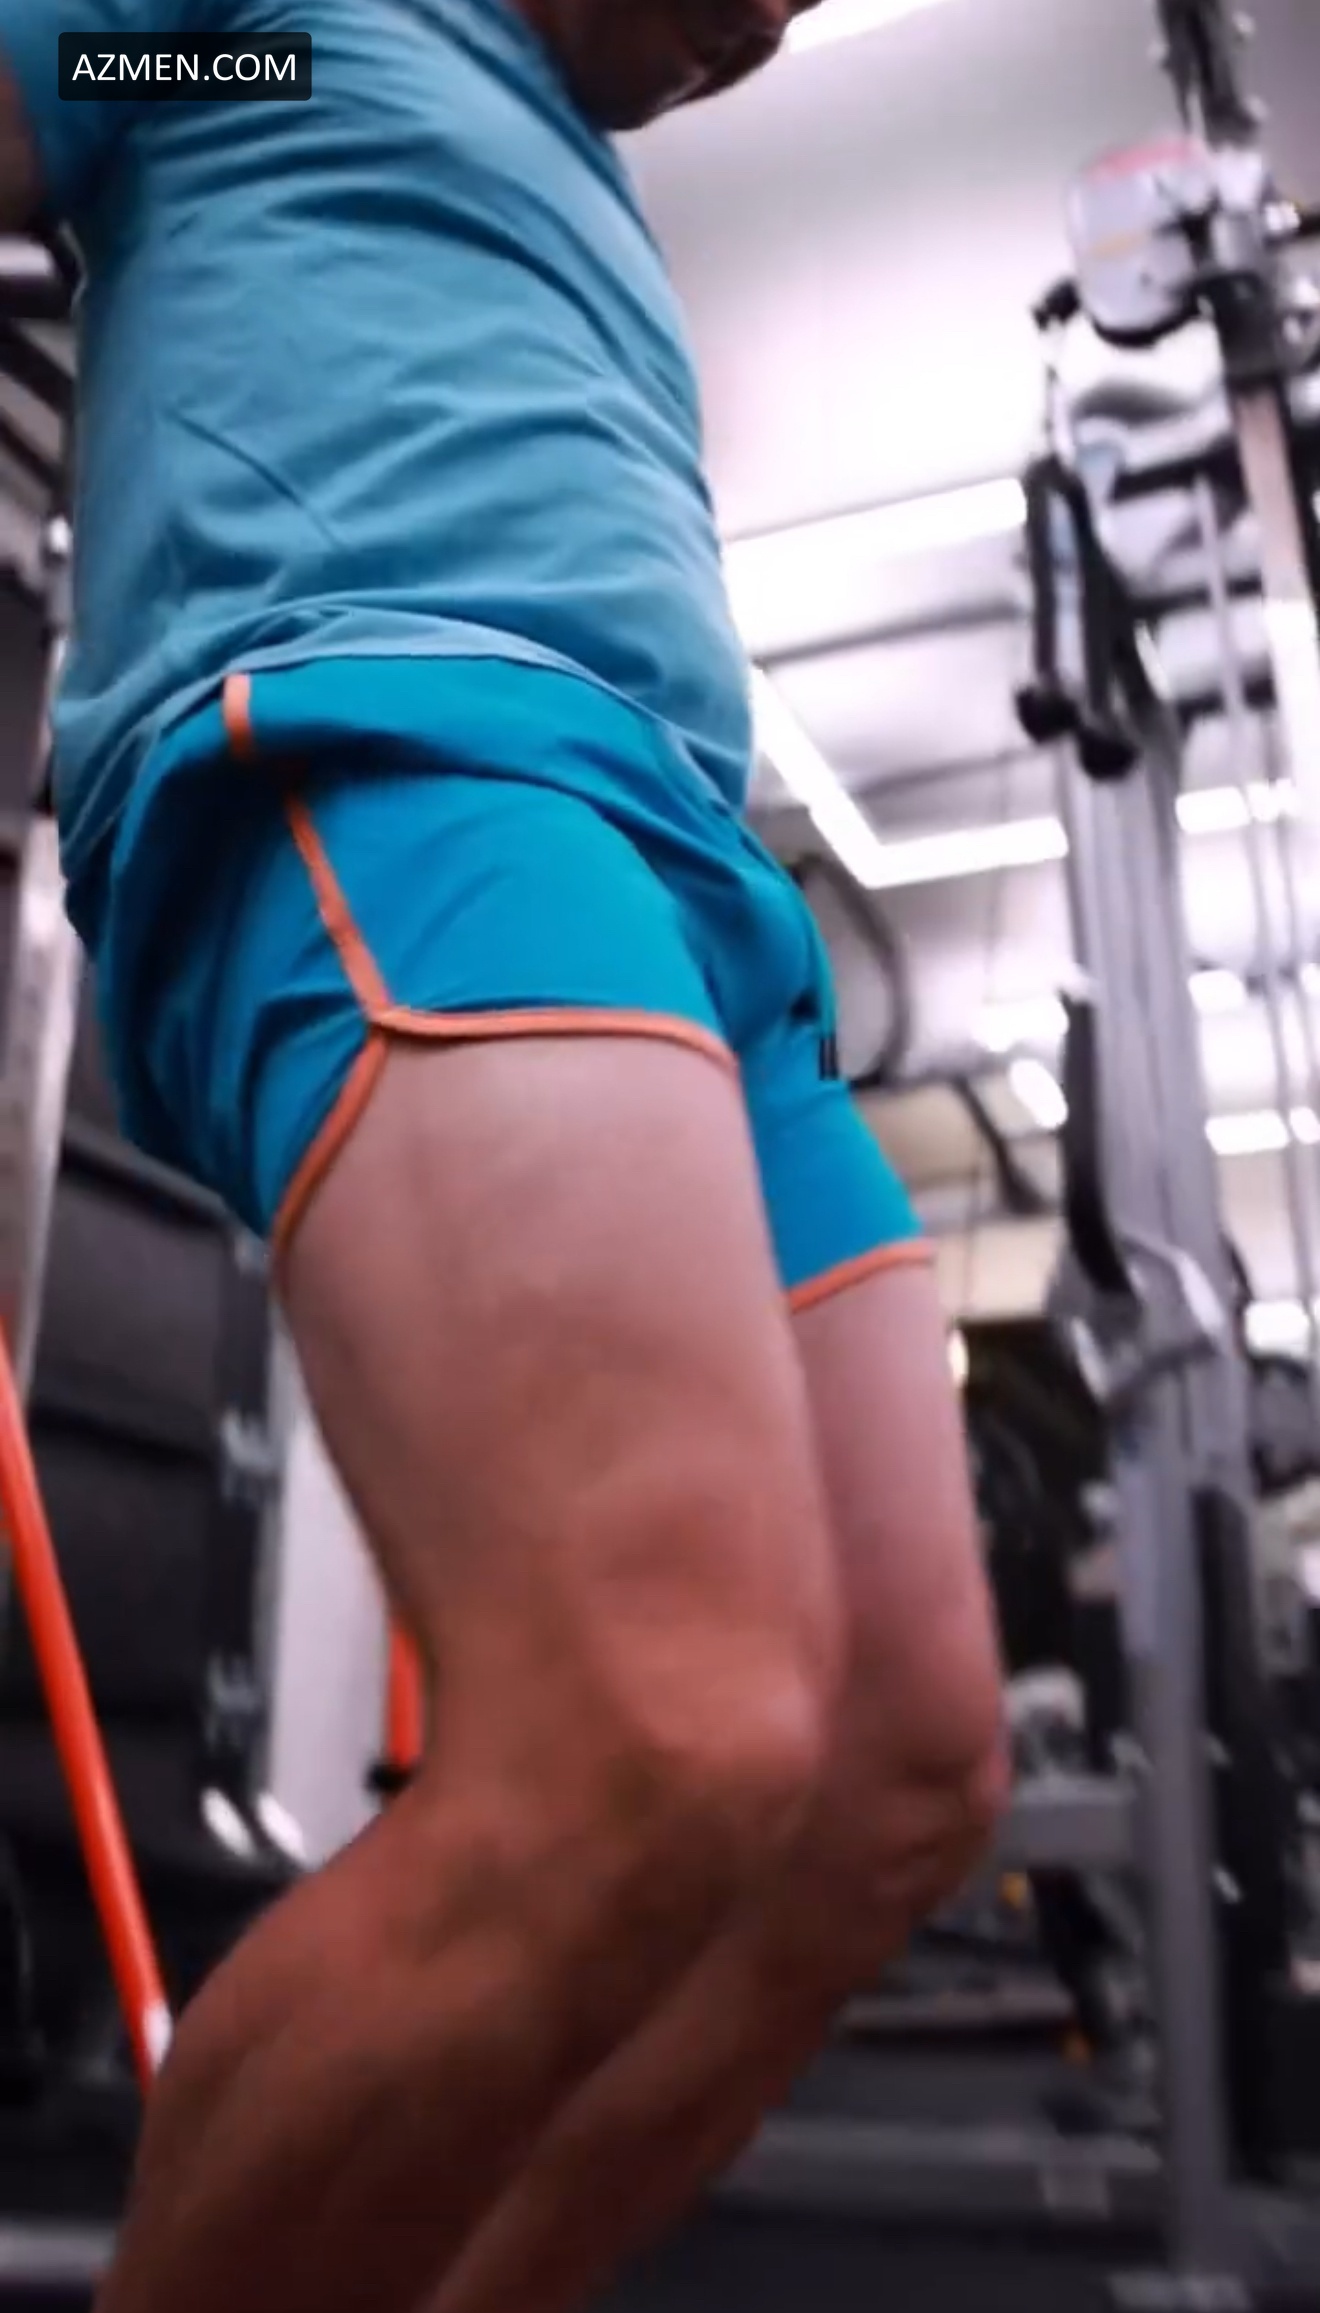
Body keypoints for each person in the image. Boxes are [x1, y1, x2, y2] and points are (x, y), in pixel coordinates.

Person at [0, 3, 1008, 2308]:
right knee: (655, 1719)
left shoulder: (581, 178)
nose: (759, 26)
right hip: (412, 737)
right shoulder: (271, 32)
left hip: (701, 884)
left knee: (894, 1767)